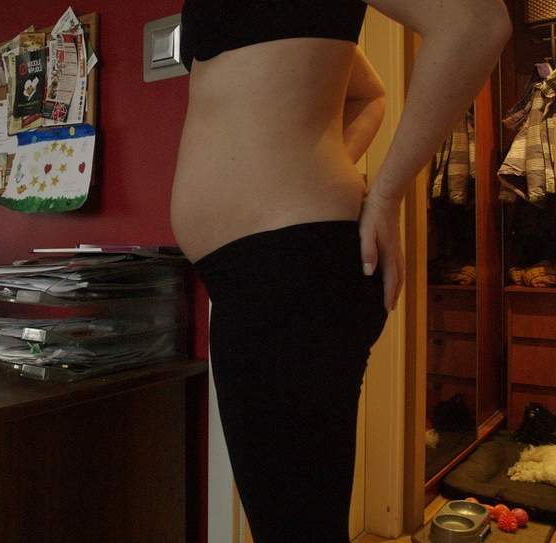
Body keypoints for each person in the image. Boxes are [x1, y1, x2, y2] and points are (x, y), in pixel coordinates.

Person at [171, 1, 512, 541]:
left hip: (291, 272)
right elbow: (367, 94)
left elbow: (476, 23)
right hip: (259, 274)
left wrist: (387, 194)